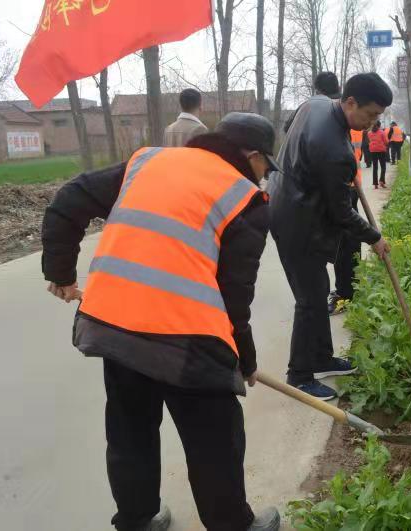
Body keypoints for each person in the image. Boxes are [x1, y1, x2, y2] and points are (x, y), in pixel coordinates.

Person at [41, 113, 282, 531]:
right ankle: (231, 525)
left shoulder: (147, 161)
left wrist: (61, 273)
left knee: (130, 428)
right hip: (186, 338)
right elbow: (234, 298)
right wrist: (243, 359)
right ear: (253, 156)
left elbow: (68, 200)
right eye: (266, 166)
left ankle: (136, 520)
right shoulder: (245, 198)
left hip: (114, 323)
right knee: (215, 436)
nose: (264, 176)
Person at [267, 72, 393, 400]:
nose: (371, 123)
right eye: (370, 115)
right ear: (350, 102)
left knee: (319, 289)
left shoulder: (316, 104)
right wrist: (374, 237)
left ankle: (321, 358)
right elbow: (341, 214)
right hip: (296, 220)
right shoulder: (334, 149)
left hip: (288, 203)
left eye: (377, 117)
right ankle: (299, 375)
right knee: (310, 299)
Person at [329, 129, 364, 315]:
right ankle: (349, 289)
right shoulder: (343, 124)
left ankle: (346, 294)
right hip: (349, 185)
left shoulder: (340, 124)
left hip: (344, 187)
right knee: (347, 243)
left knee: (345, 246)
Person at [367, 121, 389, 189]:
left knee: (375, 167)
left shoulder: (369, 133)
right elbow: (386, 141)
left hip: (373, 151)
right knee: (383, 167)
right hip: (381, 150)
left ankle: (375, 184)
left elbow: (369, 140)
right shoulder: (382, 132)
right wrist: (386, 145)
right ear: (379, 125)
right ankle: (382, 181)